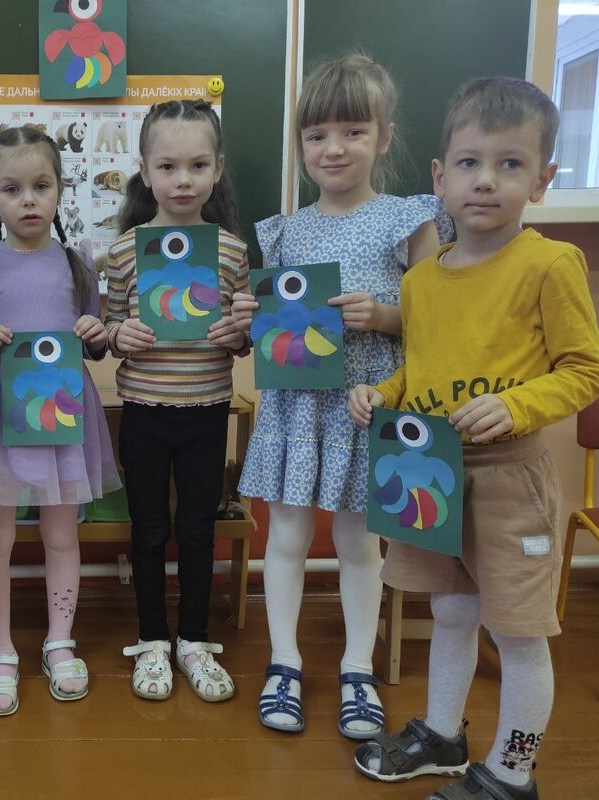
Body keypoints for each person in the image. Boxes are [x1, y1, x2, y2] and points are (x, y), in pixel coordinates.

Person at [348, 77, 599, 800]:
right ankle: (442, 735)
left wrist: (518, 404)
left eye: (509, 164)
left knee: (518, 631)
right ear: (440, 177)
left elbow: (586, 371)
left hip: (509, 480)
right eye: (468, 163)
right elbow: (423, 366)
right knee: (451, 610)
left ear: (542, 180)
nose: (485, 180)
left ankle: (512, 773)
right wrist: (383, 393)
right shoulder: (422, 282)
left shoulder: (549, 263)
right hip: (428, 470)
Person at [230, 54, 448, 737]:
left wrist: (382, 317)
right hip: (296, 407)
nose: (333, 148)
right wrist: (253, 317)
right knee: (287, 536)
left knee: (358, 542)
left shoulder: (408, 220)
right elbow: (280, 330)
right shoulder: (285, 230)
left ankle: (357, 668)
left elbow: (440, 321)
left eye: (353, 131)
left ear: (383, 137)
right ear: (300, 144)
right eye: (316, 134)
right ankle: (284, 662)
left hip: (367, 405)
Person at [0, 126, 121, 716]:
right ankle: (0, 652)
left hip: (61, 416)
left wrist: (96, 334)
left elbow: (93, 343)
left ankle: (59, 641)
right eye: (11, 189)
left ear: (60, 189)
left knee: (61, 535)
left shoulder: (79, 265)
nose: (28, 200)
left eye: (41, 186)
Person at [105, 99, 249, 703]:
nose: (182, 180)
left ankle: (193, 638)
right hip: (144, 411)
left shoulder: (231, 251)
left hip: (207, 409)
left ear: (218, 169)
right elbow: (108, 327)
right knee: (147, 529)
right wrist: (120, 336)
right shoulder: (124, 251)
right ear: (145, 172)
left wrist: (239, 332)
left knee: (196, 528)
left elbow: (243, 339)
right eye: (167, 166)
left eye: (197, 165)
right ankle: (152, 639)